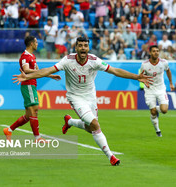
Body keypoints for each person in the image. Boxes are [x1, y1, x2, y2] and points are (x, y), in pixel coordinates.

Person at [12, 37, 153, 166]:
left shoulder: (94, 60)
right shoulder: (67, 60)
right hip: (75, 97)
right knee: (95, 124)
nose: (83, 48)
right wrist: (28, 76)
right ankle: (111, 156)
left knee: (90, 128)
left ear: (88, 47)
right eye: (80, 46)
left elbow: (115, 71)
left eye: (85, 45)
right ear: (76, 48)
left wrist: (136, 77)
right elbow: (47, 70)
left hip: (90, 97)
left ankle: (70, 122)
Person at [3, 36, 61, 142]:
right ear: (31, 44)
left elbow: (39, 71)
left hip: (32, 84)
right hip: (28, 84)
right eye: (36, 42)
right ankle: (37, 138)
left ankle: (9, 130)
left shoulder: (32, 56)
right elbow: (26, 69)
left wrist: (52, 76)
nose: (37, 44)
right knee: (34, 110)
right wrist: (34, 72)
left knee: (29, 115)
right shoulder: (25, 56)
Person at [140, 45, 174, 137]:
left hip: (161, 89)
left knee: (164, 110)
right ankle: (158, 130)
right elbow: (140, 76)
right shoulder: (145, 64)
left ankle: (155, 109)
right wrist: (143, 81)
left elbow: (168, 71)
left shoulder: (164, 62)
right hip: (149, 90)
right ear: (150, 53)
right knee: (153, 112)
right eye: (154, 51)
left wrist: (171, 83)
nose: (156, 53)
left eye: (157, 51)